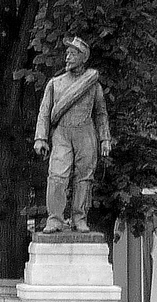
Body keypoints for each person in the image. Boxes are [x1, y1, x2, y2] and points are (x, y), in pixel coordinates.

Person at [32, 36, 111, 233]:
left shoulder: (93, 85)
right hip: (62, 134)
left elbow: (101, 113)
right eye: (67, 53)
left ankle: (79, 218)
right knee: (57, 175)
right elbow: (44, 111)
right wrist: (40, 137)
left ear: (83, 58)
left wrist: (105, 139)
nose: (67, 57)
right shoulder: (55, 84)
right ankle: (55, 219)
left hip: (86, 133)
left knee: (84, 177)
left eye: (72, 54)